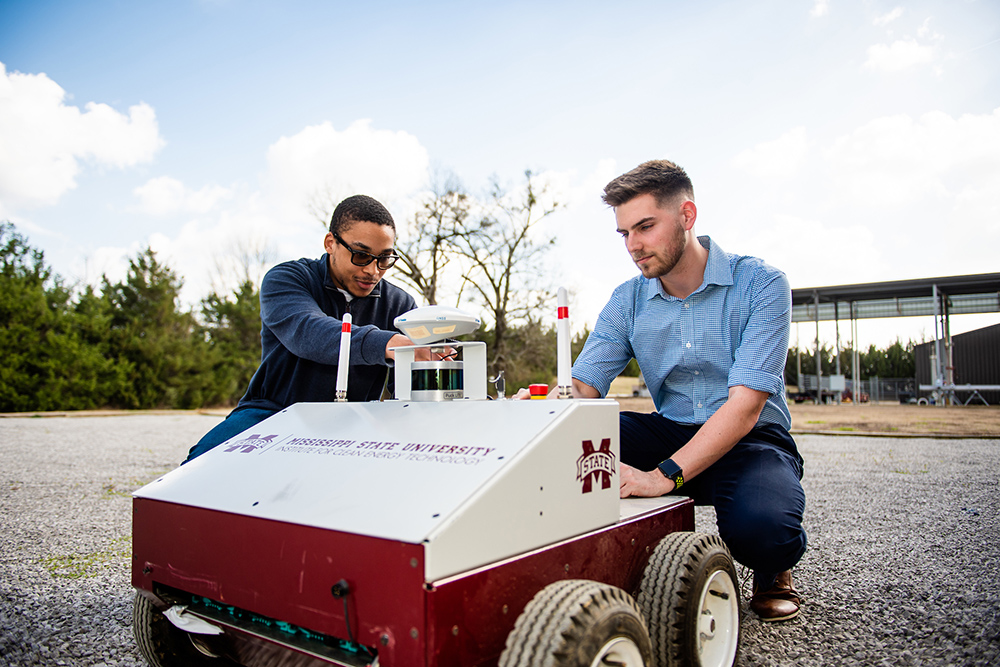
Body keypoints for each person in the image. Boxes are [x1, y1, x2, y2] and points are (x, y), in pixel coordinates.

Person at [571, 160, 807, 622]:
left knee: (763, 531)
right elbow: (582, 387)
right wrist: (544, 405)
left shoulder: (762, 284)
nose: (633, 245)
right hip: (671, 429)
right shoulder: (627, 298)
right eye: (624, 233)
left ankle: (773, 567)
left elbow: (745, 407)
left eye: (645, 227)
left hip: (750, 438)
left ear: (687, 215)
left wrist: (663, 478)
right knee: (564, 446)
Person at [185, 194, 435, 462]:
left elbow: (410, 391)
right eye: (361, 255)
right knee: (199, 467)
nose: (373, 271)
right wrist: (386, 343)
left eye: (384, 258)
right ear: (330, 243)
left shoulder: (400, 304)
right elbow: (307, 332)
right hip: (272, 412)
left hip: (357, 419)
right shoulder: (287, 279)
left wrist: (436, 366)